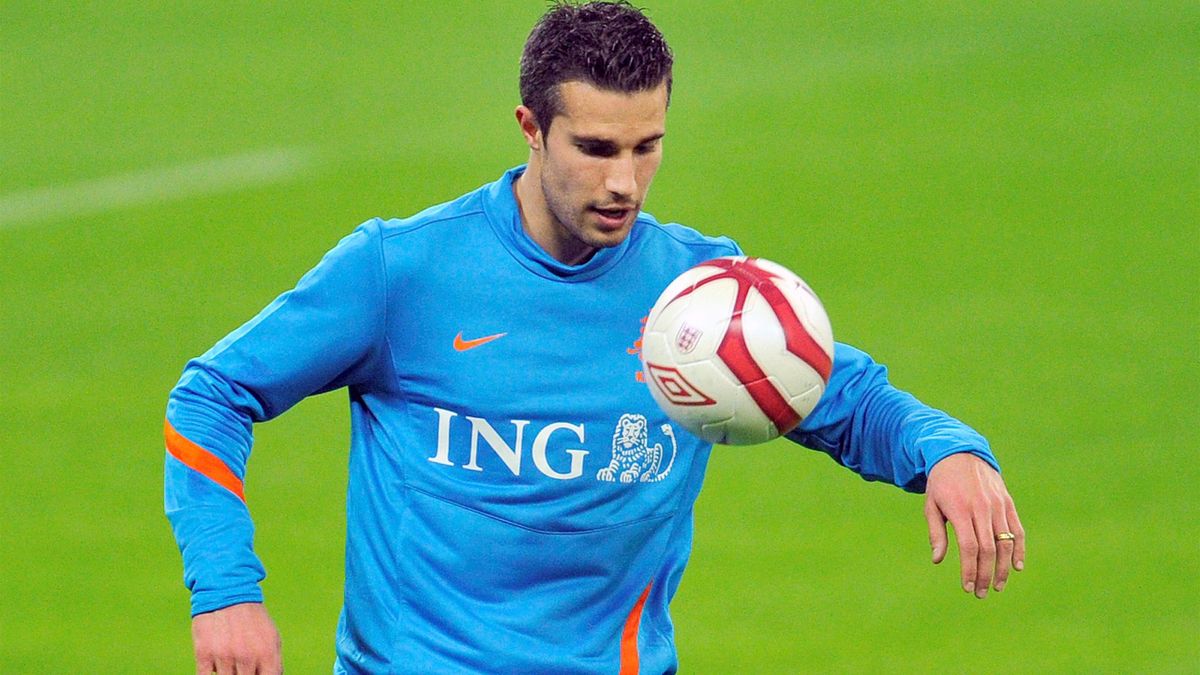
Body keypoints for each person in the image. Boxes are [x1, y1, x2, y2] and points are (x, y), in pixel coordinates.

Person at [165, 2, 1026, 673]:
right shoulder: (403, 272)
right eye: (596, 147)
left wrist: (947, 450)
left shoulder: (703, 300)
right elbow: (213, 395)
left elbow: (847, 396)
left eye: (648, 147)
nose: (625, 182)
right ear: (530, 128)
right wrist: (227, 592)